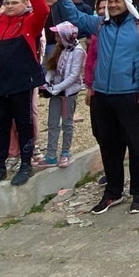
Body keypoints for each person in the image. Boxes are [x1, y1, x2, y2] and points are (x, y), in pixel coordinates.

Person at [54, 0, 139, 216]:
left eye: (117, 1)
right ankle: (113, 191)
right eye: (110, 1)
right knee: (108, 145)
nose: (113, 5)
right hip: (102, 94)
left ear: (126, 3)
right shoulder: (100, 24)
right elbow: (75, 17)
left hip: (129, 93)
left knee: (135, 144)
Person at [0, 0, 50, 189]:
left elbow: (44, 10)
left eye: (14, 2)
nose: (9, 6)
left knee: (23, 123)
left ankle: (26, 163)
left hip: (22, 81)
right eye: (7, 2)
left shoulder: (30, 21)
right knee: (1, 125)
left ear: (25, 4)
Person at [37, 21, 85, 168]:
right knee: (52, 123)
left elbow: (73, 75)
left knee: (67, 123)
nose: (56, 38)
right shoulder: (60, 49)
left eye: (58, 35)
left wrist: (56, 88)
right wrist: (47, 83)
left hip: (68, 93)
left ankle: (65, 152)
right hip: (56, 92)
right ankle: (51, 155)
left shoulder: (78, 51)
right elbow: (52, 68)